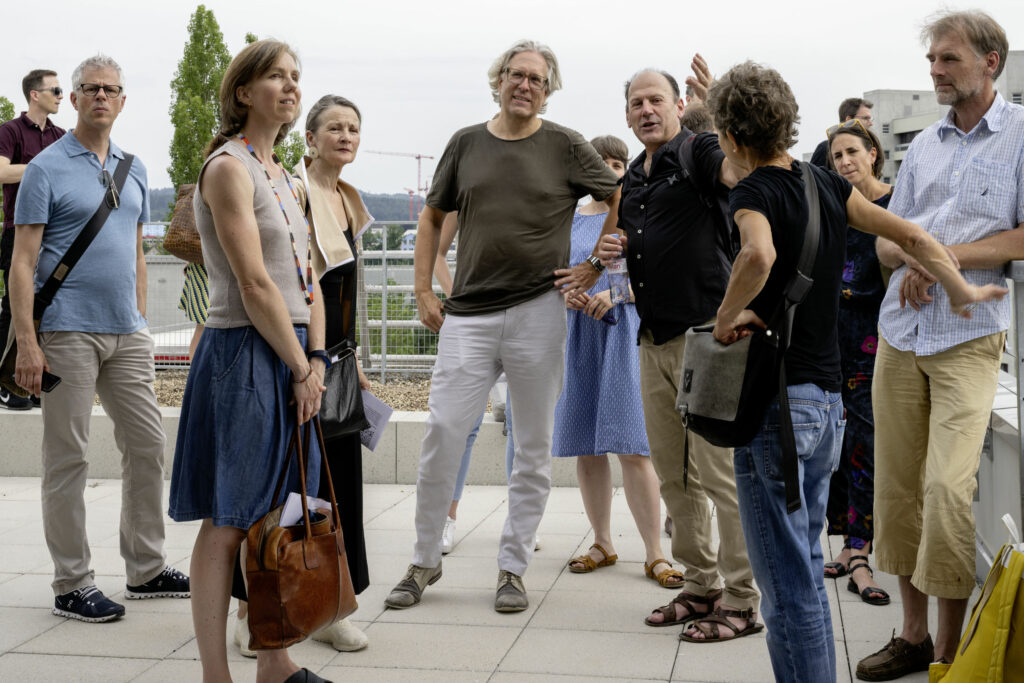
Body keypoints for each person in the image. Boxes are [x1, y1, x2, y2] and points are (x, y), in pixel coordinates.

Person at [701, 59, 1005, 682]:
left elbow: (757, 253)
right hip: (826, 405)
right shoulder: (825, 184)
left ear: (730, 138)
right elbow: (916, 237)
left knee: (788, 587)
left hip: (774, 411)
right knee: (805, 566)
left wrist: (728, 314)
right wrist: (963, 293)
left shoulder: (752, 192)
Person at [384, 39, 619, 614]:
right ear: (499, 80)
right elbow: (434, 216)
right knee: (442, 433)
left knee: (531, 448)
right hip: (468, 313)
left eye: (537, 79)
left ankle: (513, 567)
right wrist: (421, 289)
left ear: (548, 88)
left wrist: (592, 266)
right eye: (516, 75)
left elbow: (621, 196)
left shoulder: (565, 144)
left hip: (540, 310)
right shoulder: (465, 143)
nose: (525, 85)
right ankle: (423, 560)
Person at [557, 60, 760, 642]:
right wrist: (592, 269)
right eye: (637, 103)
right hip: (653, 337)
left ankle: (743, 600)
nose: (646, 110)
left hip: (710, 338)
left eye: (656, 100)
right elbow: (622, 241)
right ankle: (701, 586)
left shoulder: (698, 153)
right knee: (676, 476)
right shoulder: (637, 178)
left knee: (719, 478)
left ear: (677, 106)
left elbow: (740, 170)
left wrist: (719, 108)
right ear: (627, 113)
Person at [858, 11, 1024, 680]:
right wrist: (909, 255)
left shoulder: (1019, 136)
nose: (934, 71)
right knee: (898, 489)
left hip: (971, 339)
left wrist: (939, 257)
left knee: (947, 489)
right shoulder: (922, 144)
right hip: (901, 336)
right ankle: (914, 634)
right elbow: (883, 239)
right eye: (931, 59)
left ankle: (951, 657)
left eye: (947, 59)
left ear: (991, 62)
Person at [167, 40, 330, 683]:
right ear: (243, 93)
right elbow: (255, 283)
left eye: (297, 76)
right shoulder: (227, 168)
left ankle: (276, 663)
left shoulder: (288, 176)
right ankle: (216, 675)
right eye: (276, 77)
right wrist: (298, 366)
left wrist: (315, 358)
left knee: (281, 514)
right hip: (244, 351)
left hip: (291, 352)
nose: (291, 87)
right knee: (230, 518)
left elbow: (308, 278)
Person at [10, 55, 189, 623]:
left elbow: (136, 248)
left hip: (126, 333)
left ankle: (146, 567)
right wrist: (28, 342)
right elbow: (22, 262)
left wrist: (139, 315)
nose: (101, 98)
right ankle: (72, 583)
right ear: (77, 97)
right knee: (69, 457)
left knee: (148, 447)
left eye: (112, 90)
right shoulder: (45, 167)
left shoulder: (134, 169)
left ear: (122, 100)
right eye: (90, 89)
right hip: (65, 331)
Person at [549, 134, 676, 586]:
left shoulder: (640, 212)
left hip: (623, 333)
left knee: (633, 445)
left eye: (617, 163)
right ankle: (602, 540)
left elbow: (659, 274)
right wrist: (565, 296)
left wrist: (614, 293)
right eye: (599, 164)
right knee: (587, 444)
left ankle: (655, 552)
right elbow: (551, 273)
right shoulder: (566, 217)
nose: (609, 171)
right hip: (578, 337)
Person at [821, 120, 891, 606]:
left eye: (851, 152)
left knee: (864, 441)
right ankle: (847, 544)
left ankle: (861, 549)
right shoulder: (835, 208)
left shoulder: (895, 203)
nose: (844, 162)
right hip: (832, 337)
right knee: (839, 444)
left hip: (876, 337)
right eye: (836, 157)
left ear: (873, 153)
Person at [0, 69, 65, 410]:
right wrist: (41, 166)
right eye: (54, 89)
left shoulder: (62, 135)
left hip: (54, 235)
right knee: (13, 308)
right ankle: (4, 381)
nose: (60, 94)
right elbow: (1, 171)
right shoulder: (9, 131)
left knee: (45, 308)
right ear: (34, 94)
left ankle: (33, 383)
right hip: (18, 230)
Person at [809, 97, 874, 168]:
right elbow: (812, 177)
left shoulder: (869, 147)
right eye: (865, 118)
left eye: (852, 152)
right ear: (849, 120)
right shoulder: (826, 148)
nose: (871, 123)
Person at [178, 262, 209, 358]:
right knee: (202, 326)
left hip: (200, 271)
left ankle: (194, 369)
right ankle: (194, 368)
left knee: (201, 327)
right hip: (205, 272)